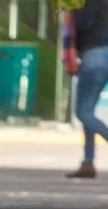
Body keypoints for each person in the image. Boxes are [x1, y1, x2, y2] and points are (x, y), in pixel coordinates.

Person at [66, 0, 108, 178]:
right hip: (102, 53)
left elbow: (83, 23)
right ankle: (88, 162)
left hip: (95, 54)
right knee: (88, 111)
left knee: (83, 112)